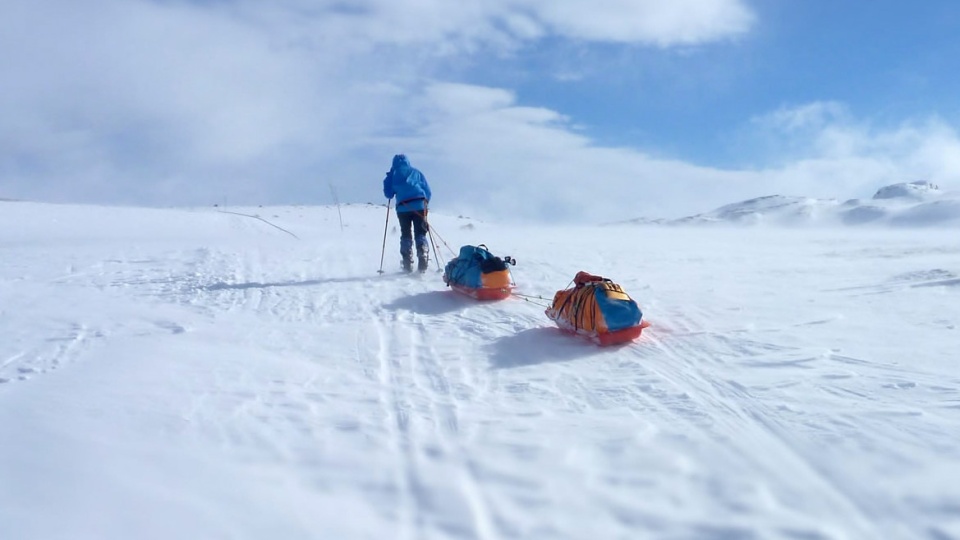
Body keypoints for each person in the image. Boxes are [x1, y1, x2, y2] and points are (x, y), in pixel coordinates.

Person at [383, 154, 432, 272]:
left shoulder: (393, 175)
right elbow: (428, 191)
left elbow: (388, 194)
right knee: (420, 232)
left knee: (406, 233)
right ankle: (423, 251)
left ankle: (407, 260)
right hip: (419, 205)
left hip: (403, 207)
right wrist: (425, 203)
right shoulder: (417, 173)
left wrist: (389, 178)